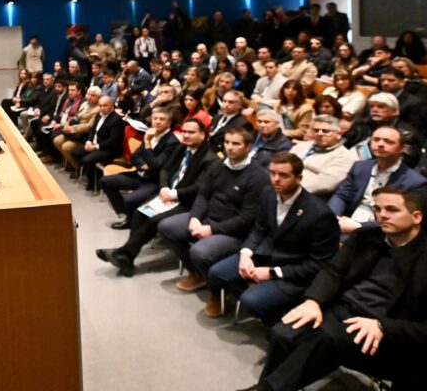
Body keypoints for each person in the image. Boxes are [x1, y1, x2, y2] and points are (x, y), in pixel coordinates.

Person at [240, 188, 427, 391]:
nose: (382, 215)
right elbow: (333, 271)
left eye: (392, 209)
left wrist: (384, 326)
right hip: (342, 309)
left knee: (327, 338)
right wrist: (314, 301)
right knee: (283, 332)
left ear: (416, 217)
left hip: (381, 330)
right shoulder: (366, 236)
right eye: (378, 209)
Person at [207, 152, 340, 320]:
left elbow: (318, 264)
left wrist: (273, 273)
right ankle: (264, 302)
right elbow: (259, 229)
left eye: (283, 175)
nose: (276, 179)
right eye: (273, 173)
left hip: (294, 270)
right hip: (267, 255)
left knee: (251, 301)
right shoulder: (268, 194)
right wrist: (246, 253)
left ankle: (277, 319)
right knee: (217, 273)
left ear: (299, 178)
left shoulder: (320, 214)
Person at [96, 119, 218, 276]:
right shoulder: (183, 148)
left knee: (155, 219)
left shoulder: (210, 158)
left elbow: (200, 187)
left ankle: (124, 253)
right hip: (168, 193)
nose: (186, 135)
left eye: (191, 132)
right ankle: (127, 256)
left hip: (188, 201)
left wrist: (173, 194)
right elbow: (165, 169)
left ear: (203, 134)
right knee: (140, 212)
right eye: (184, 132)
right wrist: (164, 188)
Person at [157, 128, 271, 294]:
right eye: (227, 142)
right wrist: (195, 217)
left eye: (236, 143)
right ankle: (197, 274)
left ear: (248, 147)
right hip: (208, 219)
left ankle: (215, 293)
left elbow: (248, 218)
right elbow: (203, 194)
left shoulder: (258, 177)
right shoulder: (218, 165)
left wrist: (212, 229)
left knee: (199, 252)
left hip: (234, 232)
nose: (229, 147)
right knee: (166, 226)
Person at [328, 126, 427, 237]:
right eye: (376, 139)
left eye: (388, 141)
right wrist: (333, 218)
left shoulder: (415, 182)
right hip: (347, 220)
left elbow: (404, 219)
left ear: (402, 148)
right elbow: (341, 196)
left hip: (381, 232)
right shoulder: (360, 167)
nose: (380, 144)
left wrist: (359, 227)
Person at [100, 108, 180, 228]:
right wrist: (143, 165)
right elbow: (135, 156)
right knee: (106, 181)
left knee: (129, 199)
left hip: (154, 182)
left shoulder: (172, 142)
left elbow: (156, 166)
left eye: (162, 119)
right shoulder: (152, 133)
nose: (157, 121)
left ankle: (131, 221)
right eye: (155, 118)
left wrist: (147, 143)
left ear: (169, 123)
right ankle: (126, 214)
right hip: (140, 174)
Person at [289, 115, 356, 200]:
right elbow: (283, 165)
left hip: (309, 197)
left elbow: (323, 184)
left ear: (338, 134)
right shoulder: (301, 146)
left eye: (325, 131)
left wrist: (289, 188)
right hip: (284, 187)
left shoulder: (345, 156)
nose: (319, 133)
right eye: (316, 130)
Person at [70, 96, 125, 191]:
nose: (102, 108)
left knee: (87, 160)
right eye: (100, 106)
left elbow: (114, 140)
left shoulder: (117, 120)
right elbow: (92, 131)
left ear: (112, 106)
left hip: (109, 149)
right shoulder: (99, 115)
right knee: (75, 152)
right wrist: (88, 141)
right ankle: (90, 173)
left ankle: (93, 183)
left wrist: (95, 146)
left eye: (105, 106)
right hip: (95, 144)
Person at [56, 87, 102, 171]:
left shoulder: (98, 108)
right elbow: (75, 117)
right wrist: (66, 124)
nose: (89, 97)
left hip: (83, 134)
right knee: (57, 140)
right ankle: (70, 162)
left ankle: (77, 167)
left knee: (66, 147)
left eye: (92, 95)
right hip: (74, 130)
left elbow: (90, 126)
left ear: (98, 97)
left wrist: (72, 128)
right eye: (88, 94)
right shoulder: (84, 104)